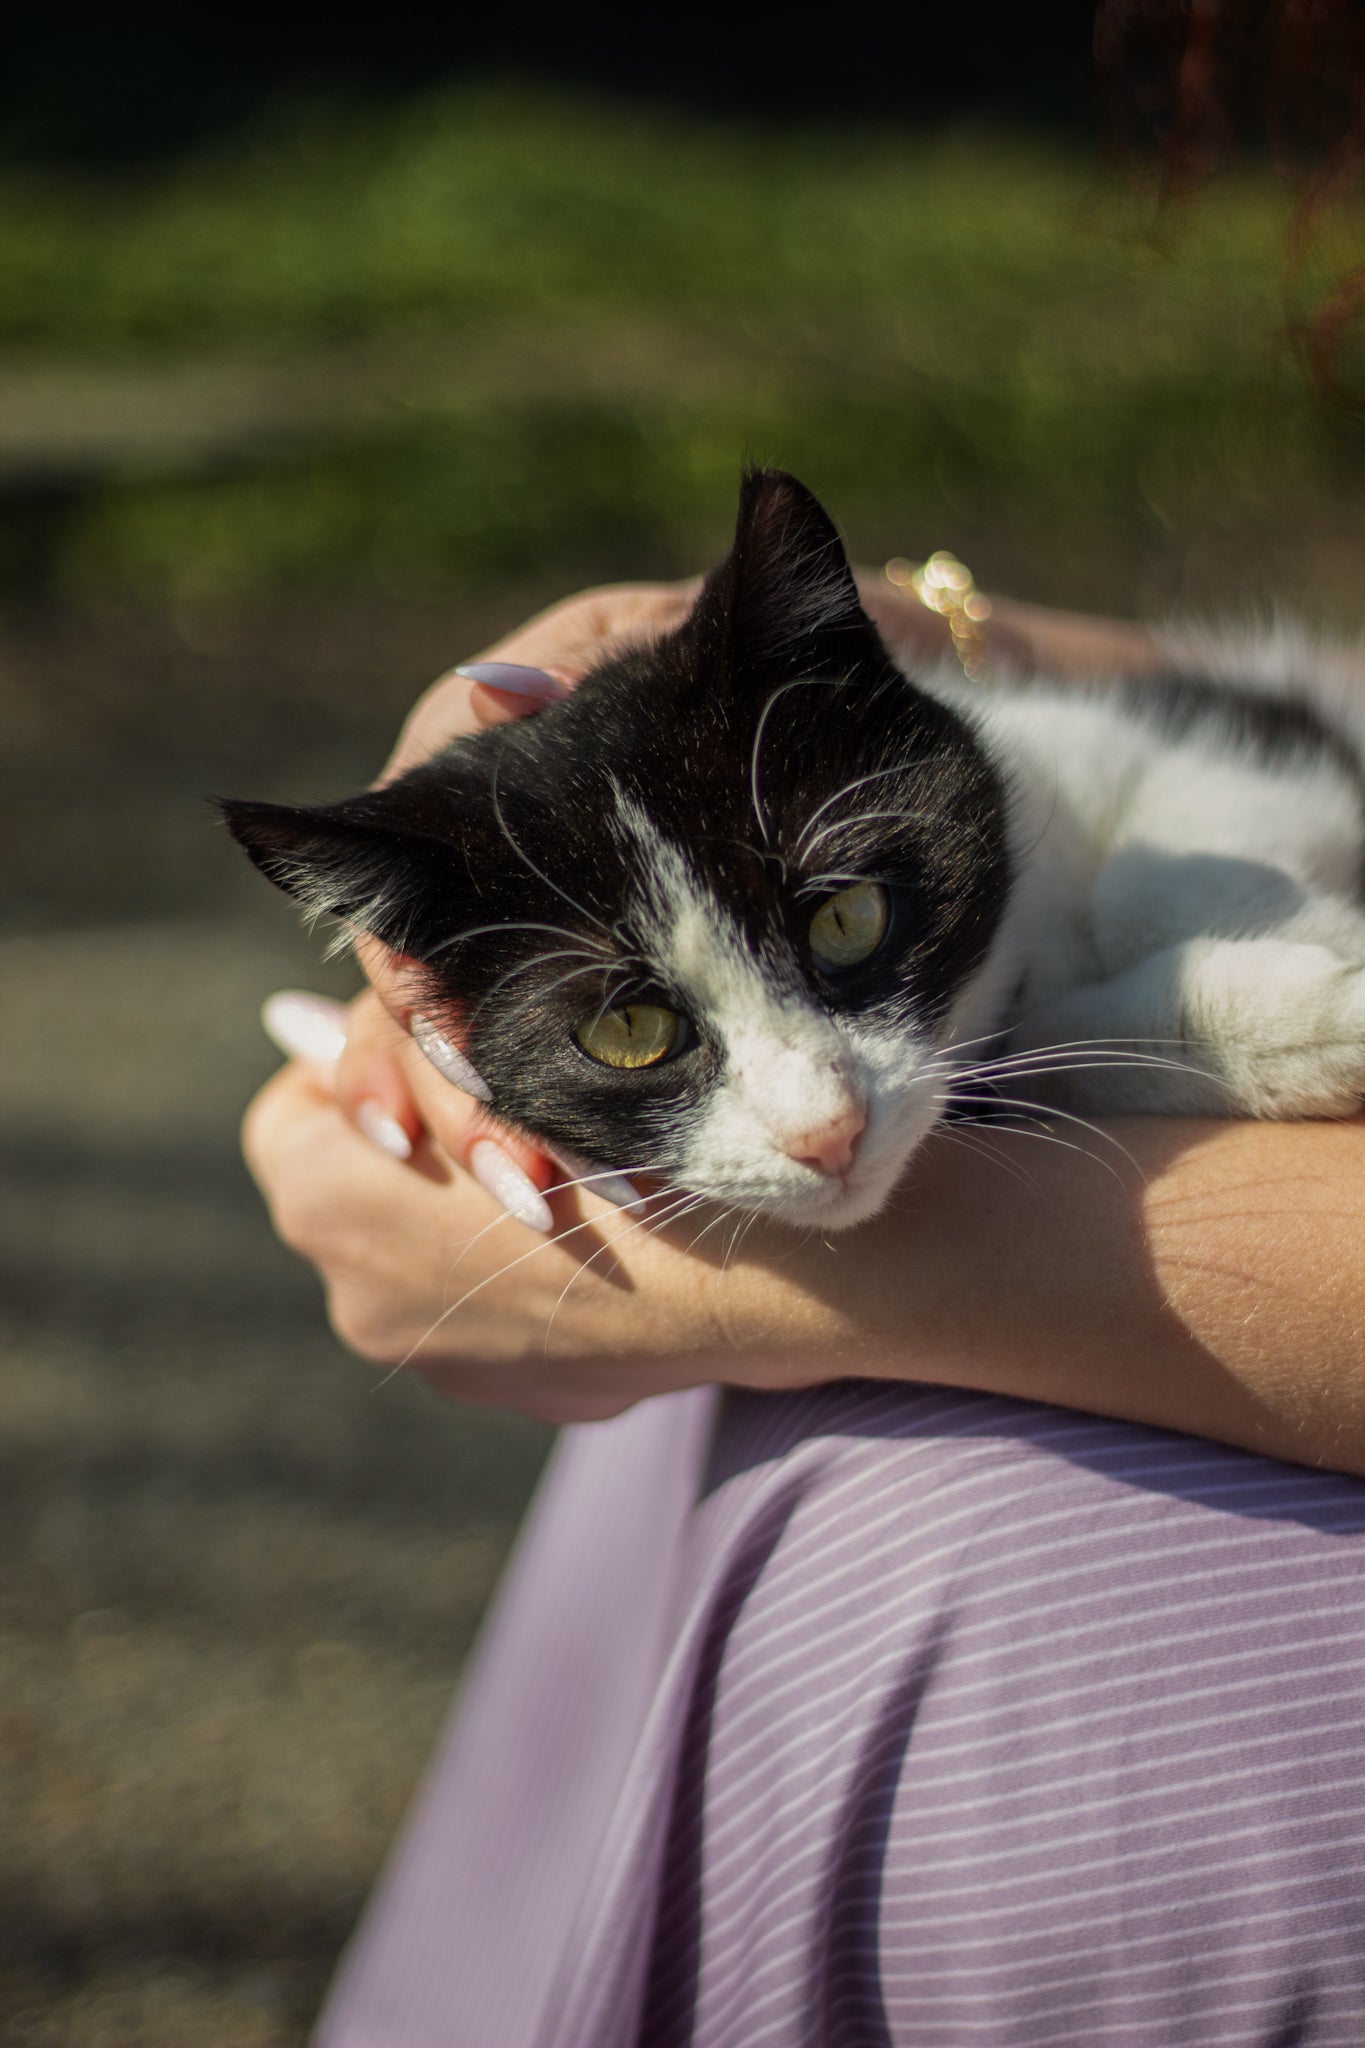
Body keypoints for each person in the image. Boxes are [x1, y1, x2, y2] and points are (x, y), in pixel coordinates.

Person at [246, 572, 1365, 2046]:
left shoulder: (1045, 802)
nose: (815, 1116)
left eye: (839, 923)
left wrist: (705, 1296)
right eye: (637, 1030)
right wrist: (954, 619)